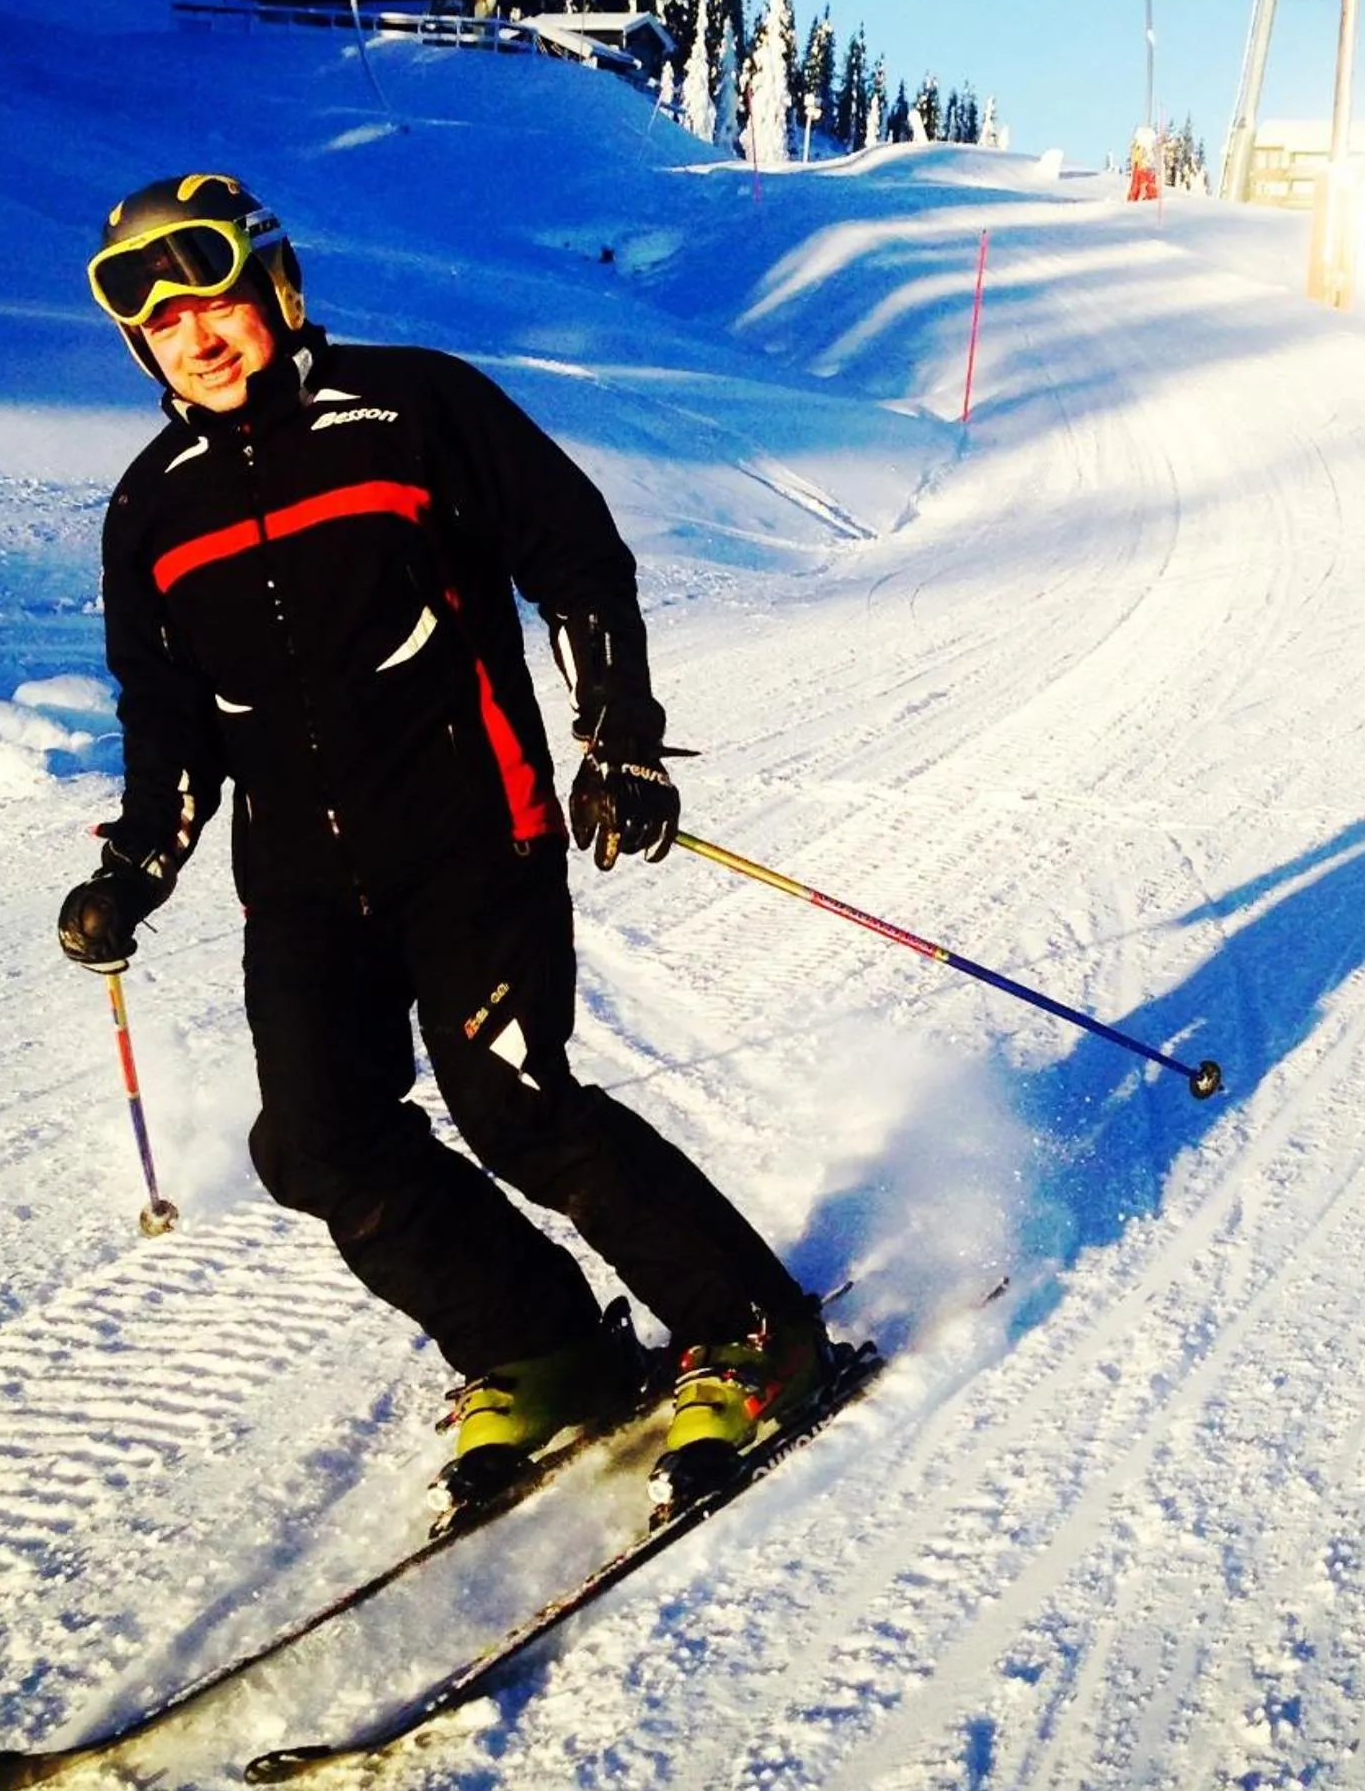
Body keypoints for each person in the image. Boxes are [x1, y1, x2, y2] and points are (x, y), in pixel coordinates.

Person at [57, 171, 833, 1525]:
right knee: (316, 1143)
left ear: (277, 289)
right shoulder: (152, 508)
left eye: (217, 296)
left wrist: (622, 743)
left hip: (475, 832)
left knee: (516, 1106)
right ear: (141, 347)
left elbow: (576, 557)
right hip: (300, 883)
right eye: (162, 323)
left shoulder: (416, 407)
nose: (198, 335)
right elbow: (169, 715)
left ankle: (754, 1328)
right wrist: (136, 865)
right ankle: (543, 1346)